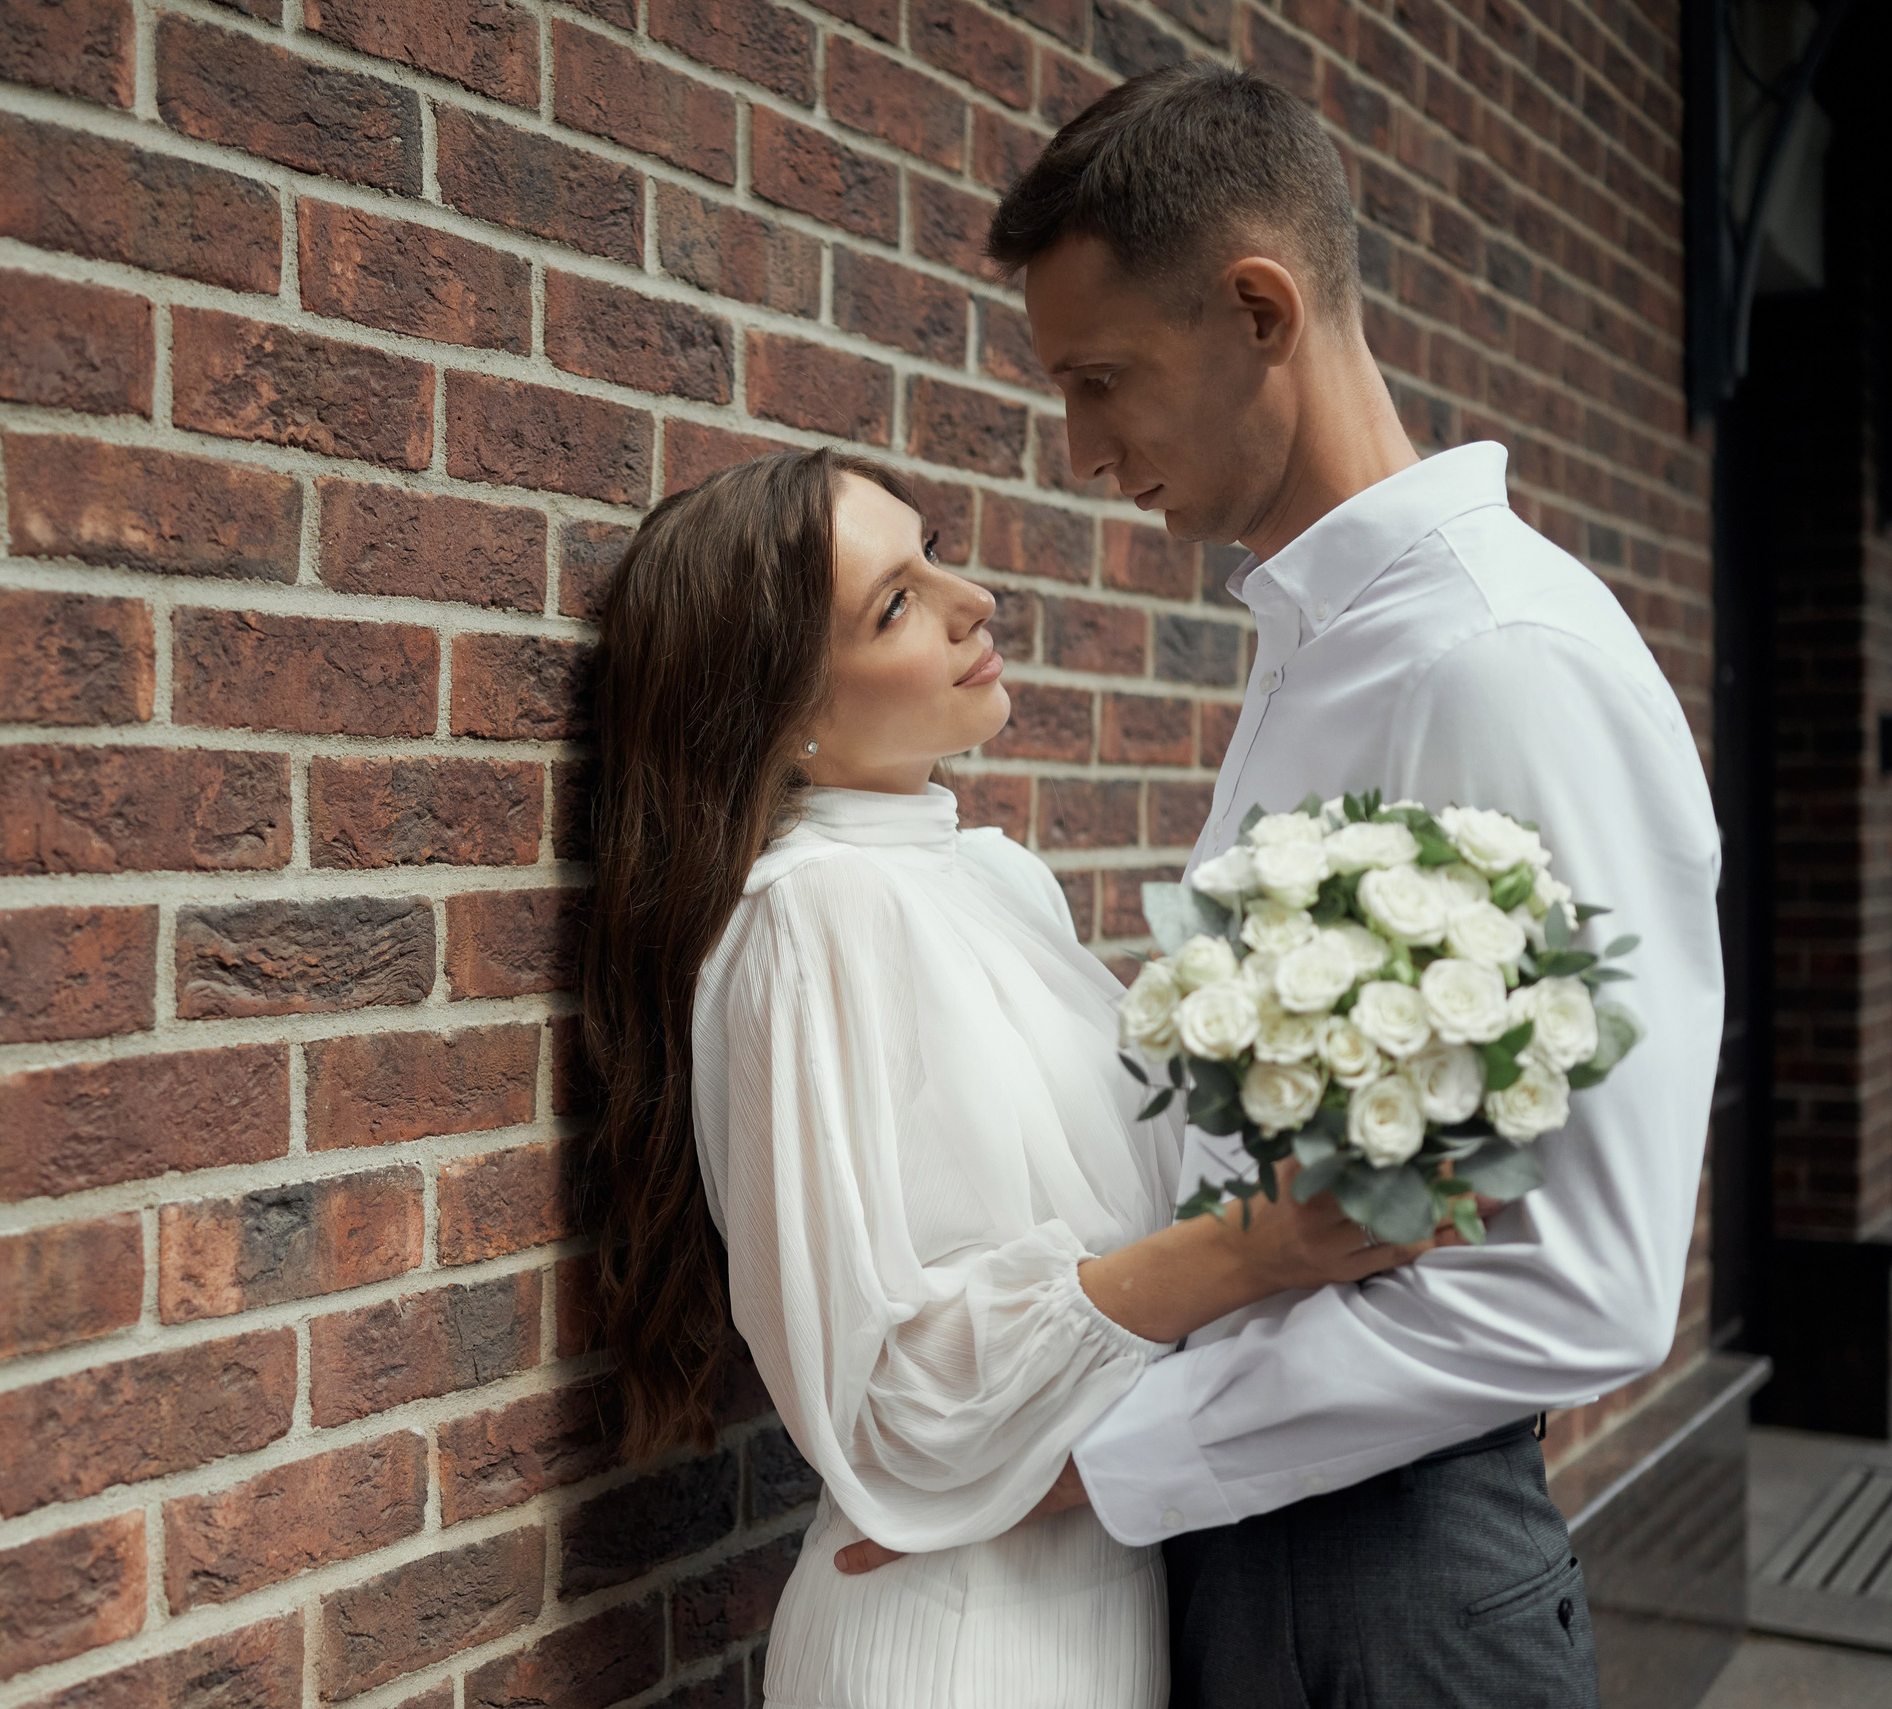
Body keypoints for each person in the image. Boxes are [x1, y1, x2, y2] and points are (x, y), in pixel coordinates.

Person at [843, 63, 1723, 1708]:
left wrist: (1098, 1462)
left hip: (1392, 1587)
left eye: (1104, 380)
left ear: (1261, 310)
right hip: (1245, 1552)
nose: (1084, 447)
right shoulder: (1315, 647)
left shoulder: (1502, 658)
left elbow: (1583, 1275)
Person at [579, 445, 1432, 1708]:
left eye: (931, 556)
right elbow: (884, 1407)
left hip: (1102, 1595)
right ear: (784, 714)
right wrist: (1254, 1248)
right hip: (958, 1641)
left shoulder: (993, 879)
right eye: (895, 601)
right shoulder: (811, 919)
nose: (970, 597)